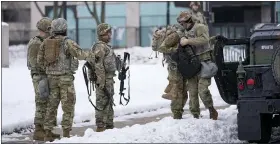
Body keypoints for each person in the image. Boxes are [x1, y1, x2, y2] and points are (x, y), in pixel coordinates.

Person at [37, 18, 94, 141]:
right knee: (68, 106)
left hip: (51, 79)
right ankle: (66, 133)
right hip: (65, 80)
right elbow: (80, 54)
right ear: (64, 28)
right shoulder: (68, 42)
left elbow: (39, 61)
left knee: (51, 106)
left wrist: (49, 70)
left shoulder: (45, 42)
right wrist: (92, 55)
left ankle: (48, 132)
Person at [177, 11, 218, 120]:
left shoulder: (200, 27)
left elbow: (204, 39)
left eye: (183, 23)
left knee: (202, 90)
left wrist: (187, 41)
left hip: (204, 62)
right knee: (192, 92)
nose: (182, 25)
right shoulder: (185, 32)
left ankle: (211, 109)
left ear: (188, 20)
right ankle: (195, 115)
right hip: (192, 65)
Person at [27, 17, 60, 141]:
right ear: (45, 30)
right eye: (50, 30)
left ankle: (47, 131)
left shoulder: (43, 41)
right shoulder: (36, 43)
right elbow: (35, 63)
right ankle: (38, 130)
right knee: (41, 103)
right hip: (40, 77)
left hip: (45, 76)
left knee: (48, 103)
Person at [152, 24, 189, 119]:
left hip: (182, 64)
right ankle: (177, 113)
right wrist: (176, 50)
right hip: (174, 66)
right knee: (177, 90)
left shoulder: (185, 33)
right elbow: (161, 48)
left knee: (183, 90)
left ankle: (178, 111)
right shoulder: (176, 35)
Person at [87, 23, 117, 132]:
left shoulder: (105, 46)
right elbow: (98, 65)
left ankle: (109, 125)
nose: (110, 36)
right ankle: (101, 126)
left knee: (109, 101)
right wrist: (101, 81)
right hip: (103, 80)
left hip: (108, 79)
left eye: (110, 33)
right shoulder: (100, 46)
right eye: (108, 33)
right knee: (102, 102)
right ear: (102, 34)